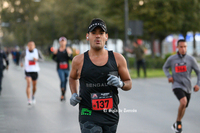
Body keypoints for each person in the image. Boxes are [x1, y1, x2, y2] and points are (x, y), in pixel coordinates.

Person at [69, 18, 132, 133]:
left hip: (110, 114)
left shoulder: (117, 59)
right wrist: (73, 93)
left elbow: (129, 83)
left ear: (106, 36)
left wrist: (121, 84)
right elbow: (72, 77)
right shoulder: (78, 60)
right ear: (87, 36)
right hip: (87, 112)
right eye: (93, 33)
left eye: (101, 33)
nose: (97, 36)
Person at [163, 39, 200, 133]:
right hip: (176, 85)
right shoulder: (172, 59)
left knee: (184, 106)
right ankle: (179, 123)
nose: (183, 49)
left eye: (185, 47)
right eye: (181, 47)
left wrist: (198, 84)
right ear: (177, 47)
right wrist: (169, 76)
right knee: (183, 102)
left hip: (188, 86)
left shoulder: (191, 59)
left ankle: (176, 123)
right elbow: (165, 67)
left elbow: (198, 72)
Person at [52, 37, 73, 101]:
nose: (62, 42)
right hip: (60, 68)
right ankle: (62, 94)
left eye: (63, 41)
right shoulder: (57, 50)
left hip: (66, 68)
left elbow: (71, 59)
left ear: (66, 42)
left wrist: (69, 54)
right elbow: (53, 58)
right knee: (62, 80)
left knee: (66, 81)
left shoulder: (68, 50)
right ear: (59, 42)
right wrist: (57, 61)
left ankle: (63, 94)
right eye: (61, 41)